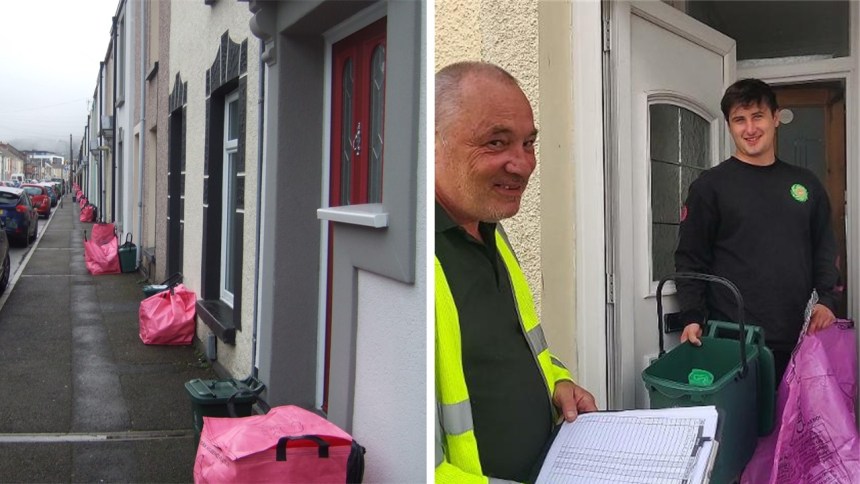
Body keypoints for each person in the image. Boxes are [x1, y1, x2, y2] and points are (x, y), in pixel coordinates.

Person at [435, 61, 598, 483]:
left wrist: (557, 383)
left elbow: (519, 342)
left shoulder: (491, 228)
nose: (523, 165)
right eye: (496, 142)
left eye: (528, 143)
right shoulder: (413, 263)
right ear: (432, 143)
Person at [675, 78, 840, 382]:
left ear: (776, 118)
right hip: (732, 342)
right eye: (739, 120)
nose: (749, 129)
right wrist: (692, 317)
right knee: (738, 429)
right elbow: (690, 260)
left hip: (801, 340)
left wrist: (827, 300)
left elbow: (824, 249)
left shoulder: (806, 184)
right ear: (729, 125)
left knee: (794, 430)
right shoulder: (710, 187)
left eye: (758, 116)